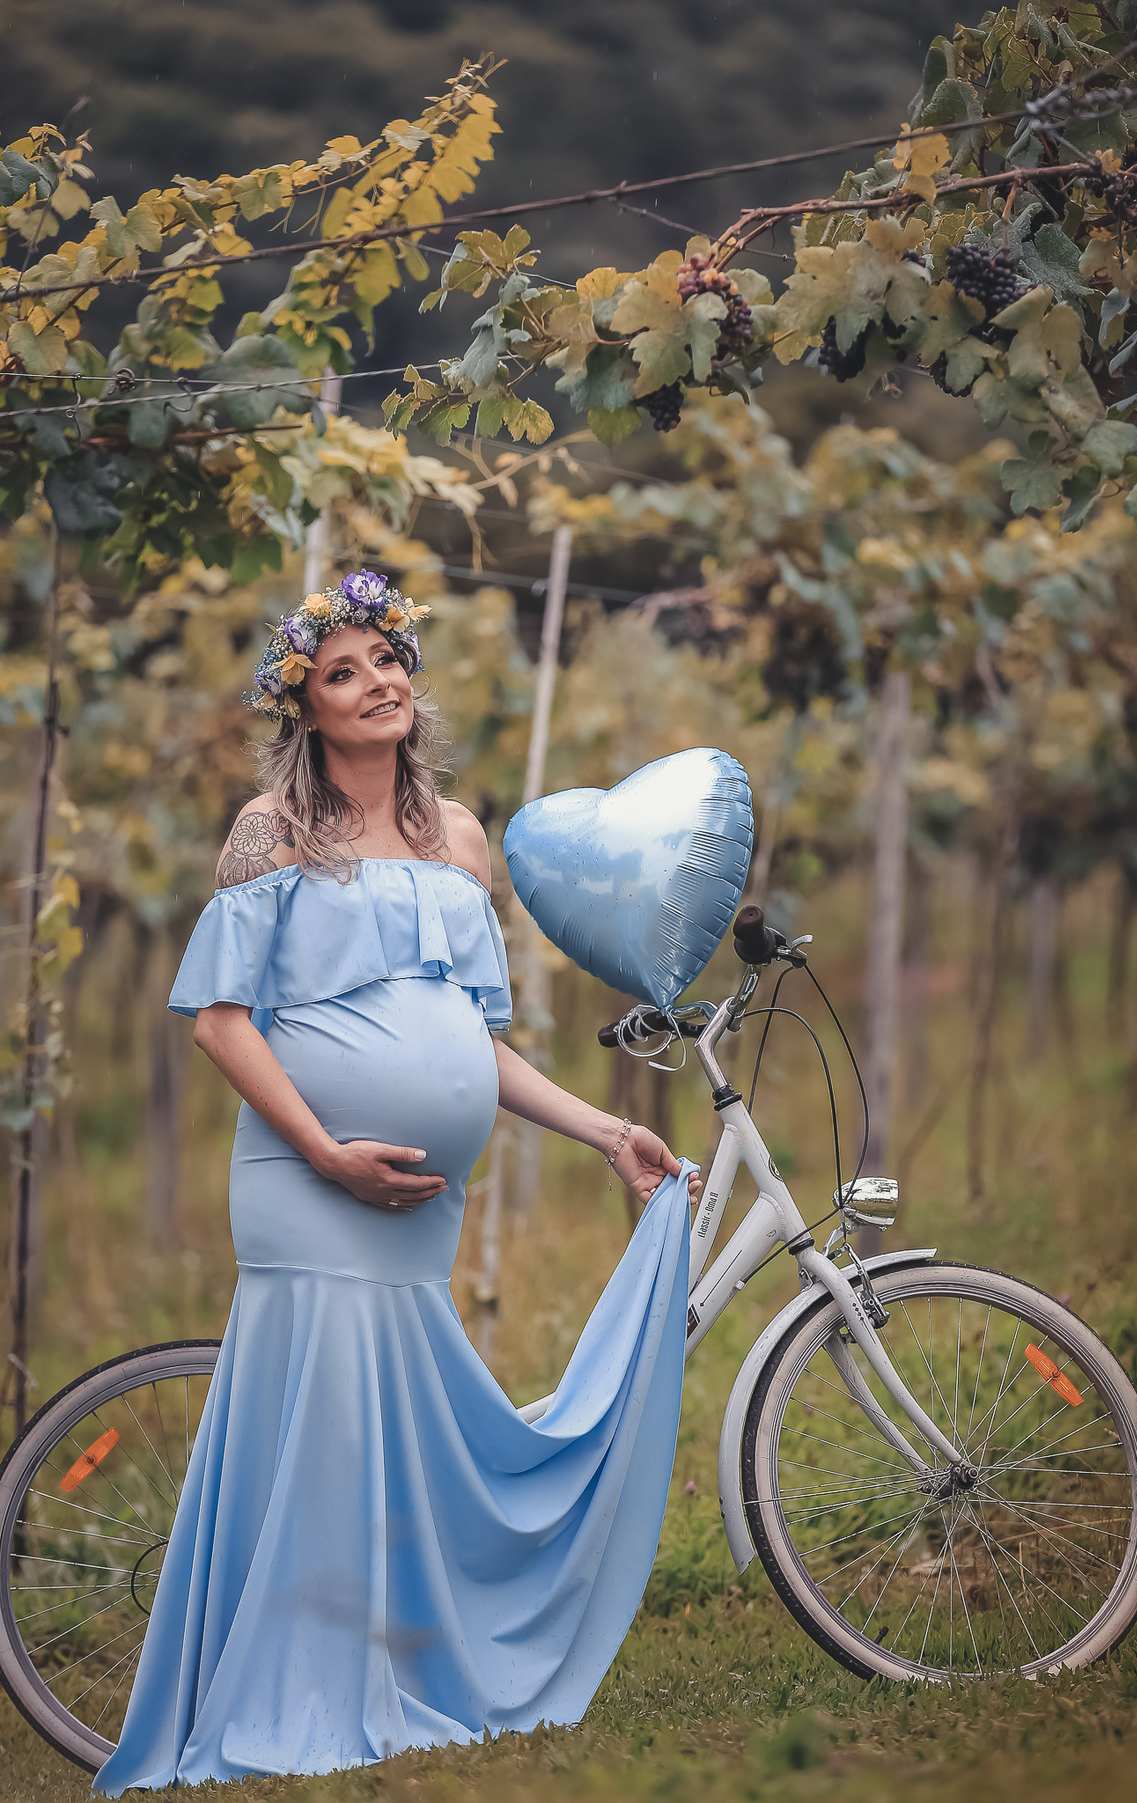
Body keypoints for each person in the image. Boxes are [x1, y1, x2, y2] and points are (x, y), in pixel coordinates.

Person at [94, 571, 699, 1793]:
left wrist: (605, 1134)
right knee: (324, 1442)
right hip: (309, 1185)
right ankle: (297, 1686)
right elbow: (220, 1023)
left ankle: (387, 1665)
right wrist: (326, 1153)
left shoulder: (459, 838)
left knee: (389, 1445)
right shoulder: (272, 829)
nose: (376, 683)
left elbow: (474, 1045)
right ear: (305, 706)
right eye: (342, 671)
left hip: (418, 1208)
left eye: (386, 661)